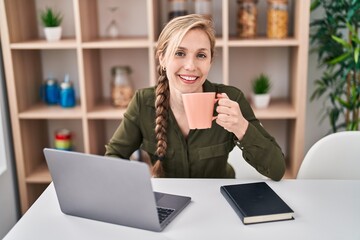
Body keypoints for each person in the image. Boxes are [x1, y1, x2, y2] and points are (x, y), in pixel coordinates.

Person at [105, 14, 286, 181]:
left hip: (219, 199)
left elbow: (277, 170)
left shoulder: (231, 99)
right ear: (162, 58)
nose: (190, 66)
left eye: (201, 55)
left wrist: (241, 127)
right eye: (180, 53)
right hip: (168, 202)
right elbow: (112, 159)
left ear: (210, 61)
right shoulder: (143, 103)